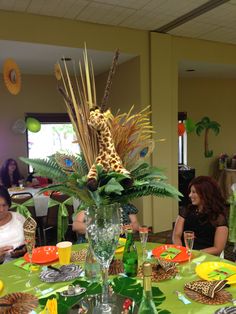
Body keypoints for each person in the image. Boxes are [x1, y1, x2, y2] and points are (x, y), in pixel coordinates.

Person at [172, 176, 228, 256]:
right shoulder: (186, 210)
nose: (190, 195)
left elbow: (218, 248)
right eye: (190, 192)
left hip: (205, 256)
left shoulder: (219, 217)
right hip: (183, 252)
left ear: (205, 193)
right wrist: (180, 249)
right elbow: (176, 235)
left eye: (194, 192)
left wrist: (194, 254)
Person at [72, 203, 140, 243]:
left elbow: (136, 225)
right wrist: (97, 229)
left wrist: (129, 228)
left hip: (122, 245)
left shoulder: (125, 204)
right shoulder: (89, 203)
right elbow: (76, 226)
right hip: (92, 246)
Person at [0, 186, 26, 263]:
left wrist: (26, 248)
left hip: (24, 261)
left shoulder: (18, 217)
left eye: (4, 205)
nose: (1, 210)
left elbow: (31, 239)